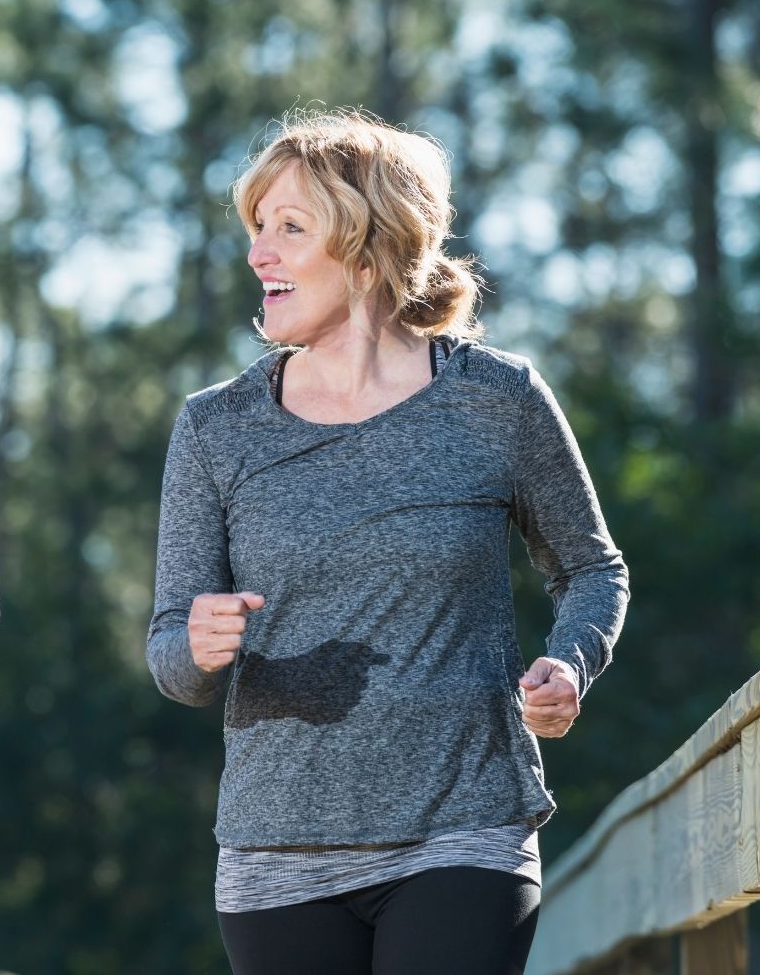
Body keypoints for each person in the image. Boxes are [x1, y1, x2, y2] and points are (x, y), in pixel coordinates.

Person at [146, 108, 628, 975]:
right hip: (277, 855)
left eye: (290, 228)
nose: (260, 252)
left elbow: (592, 568)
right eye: (257, 228)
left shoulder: (499, 400)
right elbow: (171, 662)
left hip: (465, 831)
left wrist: (571, 663)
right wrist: (195, 642)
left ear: (369, 250)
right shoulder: (216, 429)